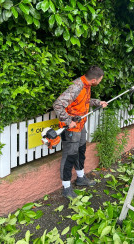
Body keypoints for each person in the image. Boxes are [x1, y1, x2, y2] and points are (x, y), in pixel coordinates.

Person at [53, 66, 108, 199]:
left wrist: (97, 102)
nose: (100, 82)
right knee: (69, 155)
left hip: (80, 124)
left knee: (81, 149)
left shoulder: (86, 85)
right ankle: (66, 188)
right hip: (71, 128)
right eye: (100, 80)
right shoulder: (76, 86)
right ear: (94, 80)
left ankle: (80, 178)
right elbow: (58, 104)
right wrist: (67, 121)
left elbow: (84, 101)